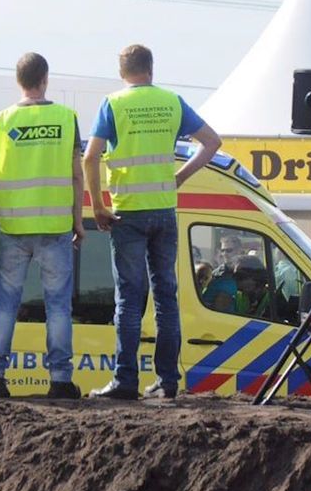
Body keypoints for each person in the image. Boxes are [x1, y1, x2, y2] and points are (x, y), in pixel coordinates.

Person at [83, 44, 222, 400]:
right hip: (163, 209)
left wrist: (98, 205)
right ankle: (167, 380)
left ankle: (125, 380)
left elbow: (91, 157)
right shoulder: (172, 101)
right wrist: (179, 178)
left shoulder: (113, 104)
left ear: (122, 72)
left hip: (127, 211)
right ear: (151, 69)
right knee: (166, 297)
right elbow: (211, 142)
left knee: (129, 299)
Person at [0, 52, 84, 399]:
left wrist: (1, 212)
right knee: (58, 306)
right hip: (55, 226)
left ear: (18, 81)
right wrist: (76, 220)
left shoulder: (1, 119)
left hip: (13, 228)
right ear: (45, 79)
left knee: (6, 304)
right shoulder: (66, 118)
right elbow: (76, 172)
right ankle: (60, 379)